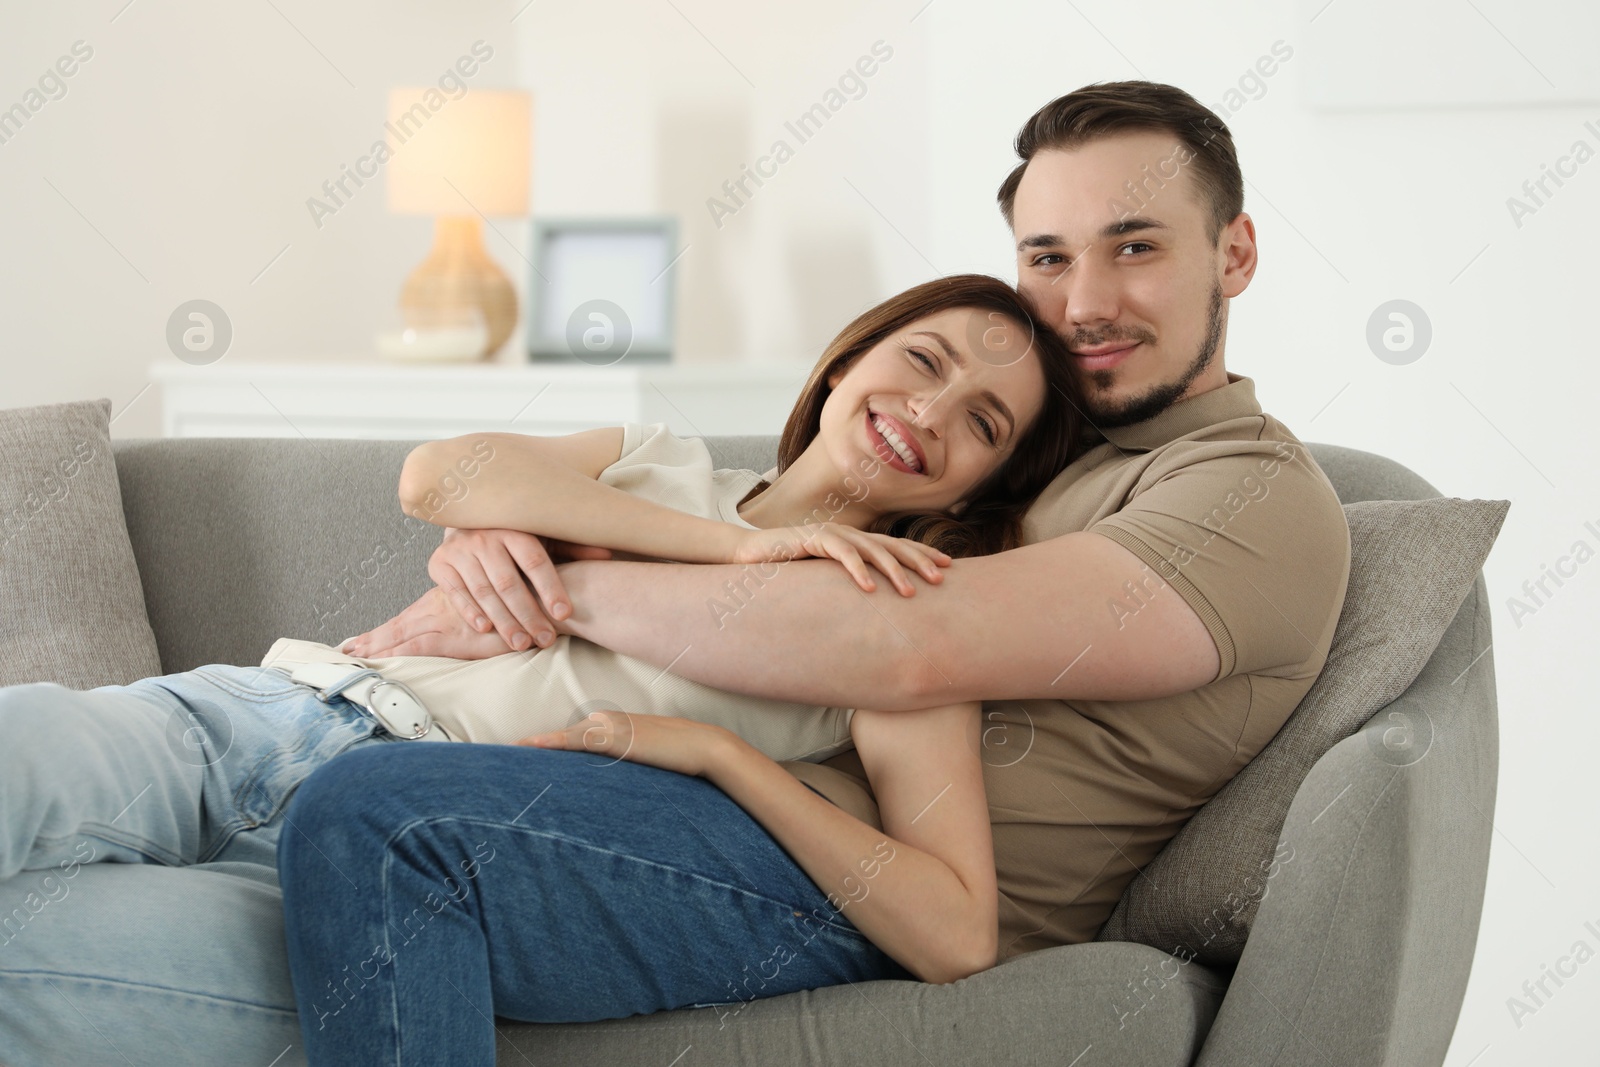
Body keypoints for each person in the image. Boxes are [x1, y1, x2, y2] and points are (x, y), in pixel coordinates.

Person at [302, 78, 1351, 1062]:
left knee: (382, 815)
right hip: (721, 801)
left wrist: (560, 585)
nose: (1081, 302)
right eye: (1047, 256)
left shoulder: (1251, 493)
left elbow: (900, 645)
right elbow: (809, 512)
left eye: (1134, 247)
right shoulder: (1040, 450)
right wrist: (501, 531)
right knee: (297, 825)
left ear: (1235, 251)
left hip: (844, 885)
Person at [0, 276, 1079, 1067]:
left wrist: (724, 759)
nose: (931, 413)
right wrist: (733, 546)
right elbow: (440, 475)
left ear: (988, 476)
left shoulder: (902, 620)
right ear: (851, 356)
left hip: (375, 862)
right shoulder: (660, 459)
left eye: (983, 421)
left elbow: (953, 925)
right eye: (924, 361)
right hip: (267, 715)